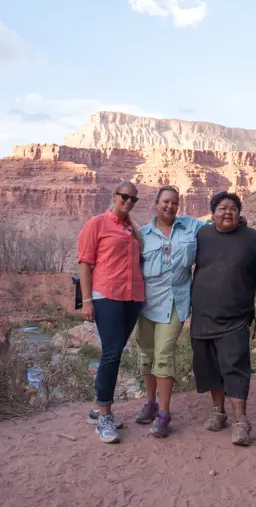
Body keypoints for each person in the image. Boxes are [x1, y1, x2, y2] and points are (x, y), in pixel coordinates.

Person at [190, 191, 256, 447]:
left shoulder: (252, 239)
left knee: (235, 367)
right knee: (209, 368)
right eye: (222, 208)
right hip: (202, 316)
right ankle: (217, 412)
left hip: (236, 318)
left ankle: (241, 422)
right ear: (212, 213)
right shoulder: (201, 235)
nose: (228, 212)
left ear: (240, 213)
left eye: (233, 208)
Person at [134, 186, 206, 438]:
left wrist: (238, 220)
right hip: (146, 303)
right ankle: (151, 403)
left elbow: (218, 227)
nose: (170, 206)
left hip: (176, 302)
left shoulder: (191, 227)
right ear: (156, 204)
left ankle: (164, 413)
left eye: (174, 203)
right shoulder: (143, 235)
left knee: (163, 355)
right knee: (146, 354)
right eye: (165, 202)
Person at [77, 181, 144, 444]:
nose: (128, 201)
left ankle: (96, 409)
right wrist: (87, 301)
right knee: (112, 354)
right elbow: (85, 263)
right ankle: (104, 416)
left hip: (133, 297)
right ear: (115, 196)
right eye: (125, 196)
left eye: (133, 199)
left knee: (114, 353)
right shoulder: (97, 224)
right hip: (107, 296)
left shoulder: (132, 229)